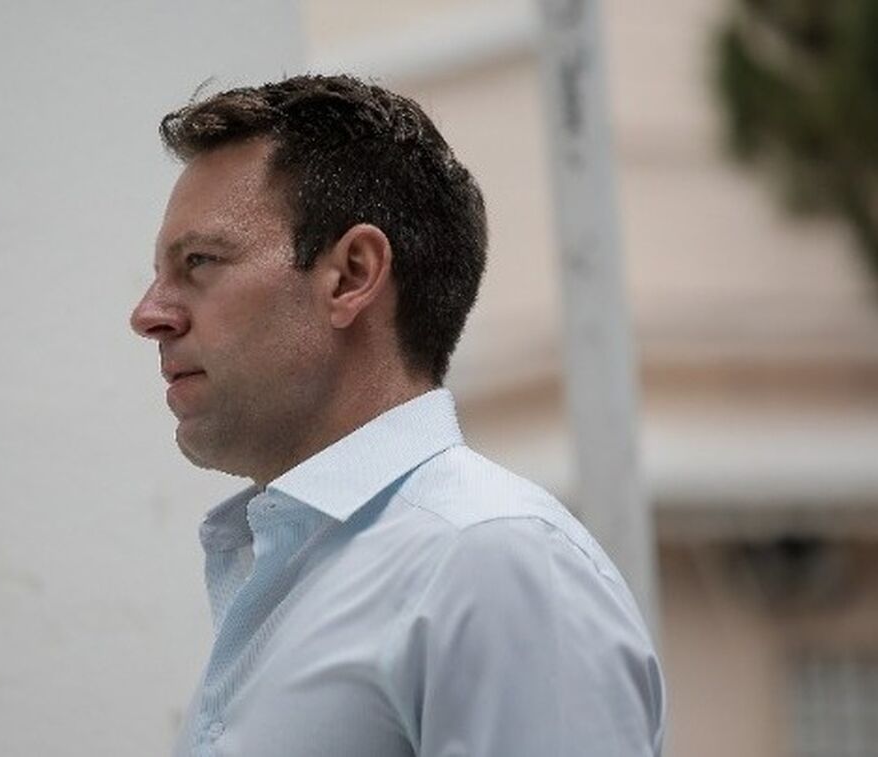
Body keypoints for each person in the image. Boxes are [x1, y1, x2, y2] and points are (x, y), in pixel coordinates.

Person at [130, 74, 664, 757]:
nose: (149, 313)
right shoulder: (292, 575)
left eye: (199, 262)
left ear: (352, 275)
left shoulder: (494, 562)